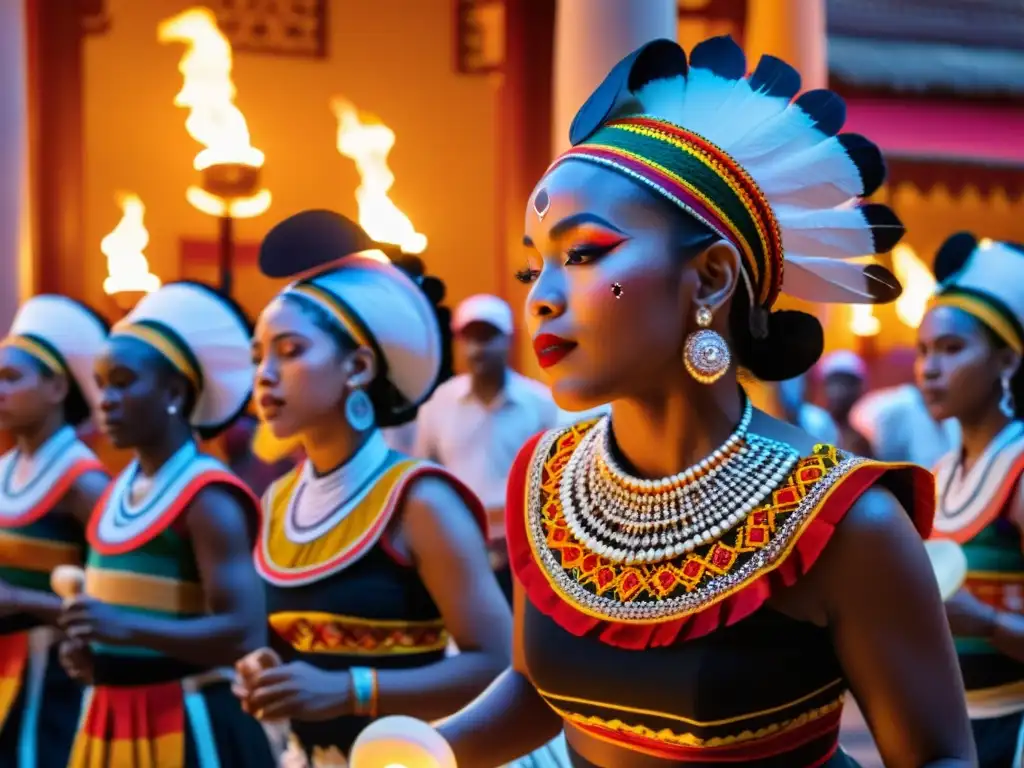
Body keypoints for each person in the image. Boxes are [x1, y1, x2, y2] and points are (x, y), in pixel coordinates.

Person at [350, 36, 974, 768]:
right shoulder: (543, 480)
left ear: (710, 278)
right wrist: (429, 749)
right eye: (533, 267)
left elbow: (940, 759)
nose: (543, 300)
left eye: (585, 255)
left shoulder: (846, 522)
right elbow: (538, 689)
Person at [234, 210, 511, 761]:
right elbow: (299, 644)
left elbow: (499, 666)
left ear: (358, 366)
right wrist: (268, 669)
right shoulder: (278, 500)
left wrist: (349, 691)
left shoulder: (420, 501)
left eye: (289, 351)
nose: (265, 374)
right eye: (258, 356)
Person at [57, 282, 275, 767]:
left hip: (190, 725)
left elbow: (244, 633)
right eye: (100, 384)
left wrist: (123, 627)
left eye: (123, 381)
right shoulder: (117, 489)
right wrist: (96, 654)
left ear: (175, 391)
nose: (106, 401)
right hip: (112, 717)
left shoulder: (207, 496)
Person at [917, 232, 1024, 766]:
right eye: (923, 351)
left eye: (952, 349)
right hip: (953, 731)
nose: (929, 369)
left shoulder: (1020, 470)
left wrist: (981, 621)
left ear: (1006, 360)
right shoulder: (939, 475)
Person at [0, 295, 109, 766]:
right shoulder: (4, 468)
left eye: (11, 378)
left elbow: (122, 604)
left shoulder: (83, 482)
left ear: (58, 387)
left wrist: (25, 602)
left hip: (53, 683)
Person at [413, 293, 560, 602]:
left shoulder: (540, 404)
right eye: (470, 338)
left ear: (508, 340)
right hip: (457, 546)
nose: (477, 349)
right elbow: (424, 475)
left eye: (487, 337)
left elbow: (554, 483)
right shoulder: (439, 403)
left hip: (525, 551)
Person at [819, 350, 873, 456]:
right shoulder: (816, 424)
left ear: (860, 386)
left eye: (846, 382)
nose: (838, 390)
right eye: (833, 382)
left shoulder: (869, 428)